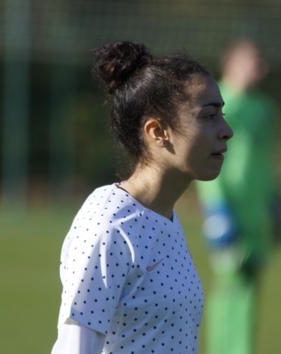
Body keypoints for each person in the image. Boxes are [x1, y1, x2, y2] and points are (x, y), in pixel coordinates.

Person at [51, 41, 233, 354]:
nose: (226, 130)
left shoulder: (166, 218)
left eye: (222, 114)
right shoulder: (110, 223)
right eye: (208, 116)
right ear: (157, 131)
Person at [195, 39, 281, 354]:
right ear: (232, 64)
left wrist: (276, 201)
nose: (261, 69)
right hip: (229, 211)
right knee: (230, 287)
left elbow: (265, 160)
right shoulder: (216, 104)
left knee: (250, 287)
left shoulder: (264, 109)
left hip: (257, 213)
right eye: (253, 62)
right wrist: (216, 206)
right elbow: (203, 156)